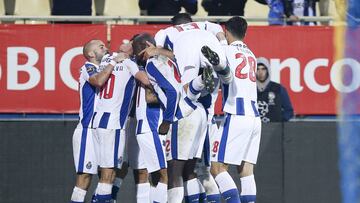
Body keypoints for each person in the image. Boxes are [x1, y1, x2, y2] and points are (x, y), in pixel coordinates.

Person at [154, 13, 232, 203]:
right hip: (208, 113)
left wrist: (161, 52)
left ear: (174, 24)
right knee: (199, 170)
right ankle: (219, 66)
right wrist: (222, 46)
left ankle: (199, 79)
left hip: (187, 113)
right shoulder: (205, 26)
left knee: (180, 169)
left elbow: (158, 51)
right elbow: (220, 32)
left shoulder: (167, 32)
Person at [210, 16, 261, 203]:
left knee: (216, 167)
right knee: (246, 170)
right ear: (245, 33)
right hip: (254, 117)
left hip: (236, 114)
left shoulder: (225, 51)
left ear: (225, 31)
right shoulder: (251, 54)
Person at [90, 45, 150, 202]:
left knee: (104, 170)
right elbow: (145, 80)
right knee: (108, 173)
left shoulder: (105, 61)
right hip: (114, 122)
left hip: (98, 120)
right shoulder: (129, 63)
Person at [70, 39, 123, 203]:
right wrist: (114, 61)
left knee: (110, 171)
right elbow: (98, 81)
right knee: (85, 177)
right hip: (87, 127)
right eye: (100, 47)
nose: (105, 48)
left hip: (103, 126)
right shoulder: (88, 67)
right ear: (91, 54)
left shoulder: (107, 68)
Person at [256, 57, 294, 123]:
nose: (260, 72)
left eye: (263, 69)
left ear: (268, 70)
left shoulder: (278, 88)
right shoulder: (250, 89)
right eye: (258, 69)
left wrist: (279, 122)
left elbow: (289, 111)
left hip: (274, 130)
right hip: (255, 130)